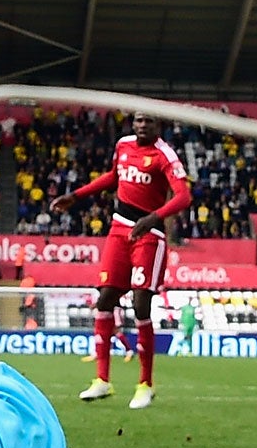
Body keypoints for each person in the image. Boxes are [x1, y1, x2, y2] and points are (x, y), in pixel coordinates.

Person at [51, 112, 190, 410]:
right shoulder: (123, 145)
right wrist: (75, 196)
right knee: (105, 300)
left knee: (141, 304)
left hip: (149, 233)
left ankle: (145, 385)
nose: (142, 125)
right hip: (118, 229)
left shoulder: (164, 155)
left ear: (158, 125)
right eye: (138, 121)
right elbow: (113, 177)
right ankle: (102, 380)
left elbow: (183, 197)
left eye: (148, 122)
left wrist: (153, 218)